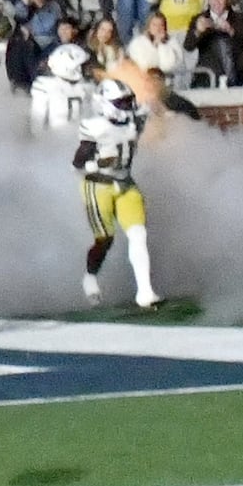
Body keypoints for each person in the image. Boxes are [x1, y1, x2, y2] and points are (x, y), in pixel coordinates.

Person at [73, 74, 164, 310]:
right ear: (105, 104)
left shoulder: (136, 120)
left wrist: (156, 104)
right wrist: (100, 163)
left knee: (138, 235)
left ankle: (145, 291)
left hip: (125, 183)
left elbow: (150, 108)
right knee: (105, 239)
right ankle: (90, 275)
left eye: (128, 101)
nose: (127, 107)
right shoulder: (94, 126)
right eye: (121, 103)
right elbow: (78, 164)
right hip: (98, 185)